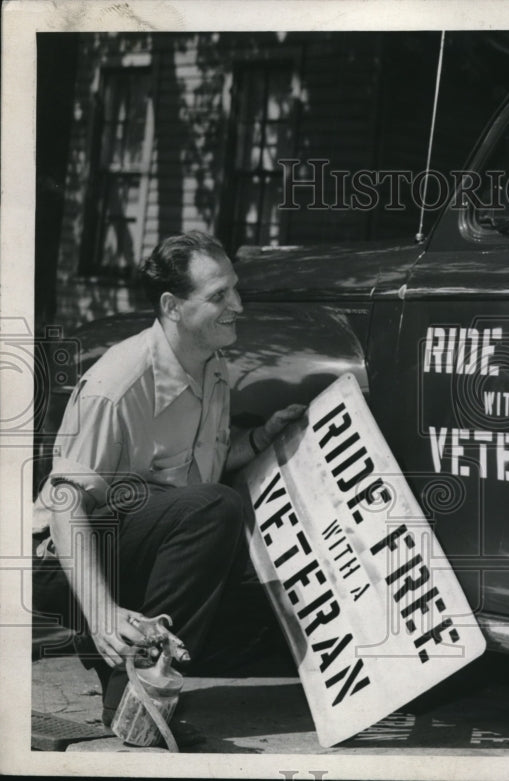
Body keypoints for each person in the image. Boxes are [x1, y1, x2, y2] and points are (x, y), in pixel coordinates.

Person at [32, 231, 305, 726]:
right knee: (217, 509)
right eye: (219, 295)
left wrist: (261, 439)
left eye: (235, 290)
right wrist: (103, 613)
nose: (238, 305)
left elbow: (197, 475)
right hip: (63, 562)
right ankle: (135, 702)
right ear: (172, 306)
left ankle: (141, 666)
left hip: (144, 548)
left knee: (273, 618)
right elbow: (65, 504)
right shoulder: (119, 383)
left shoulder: (213, 368)